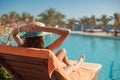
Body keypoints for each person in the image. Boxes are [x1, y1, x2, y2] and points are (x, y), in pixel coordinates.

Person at [12, 22, 85, 74]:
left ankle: (68, 64)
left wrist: (23, 28)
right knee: (72, 67)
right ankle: (79, 62)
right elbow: (67, 32)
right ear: (42, 38)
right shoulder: (46, 51)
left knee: (63, 51)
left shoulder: (22, 47)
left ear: (27, 37)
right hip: (52, 75)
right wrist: (41, 28)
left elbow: (14, 34)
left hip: (33, 74)